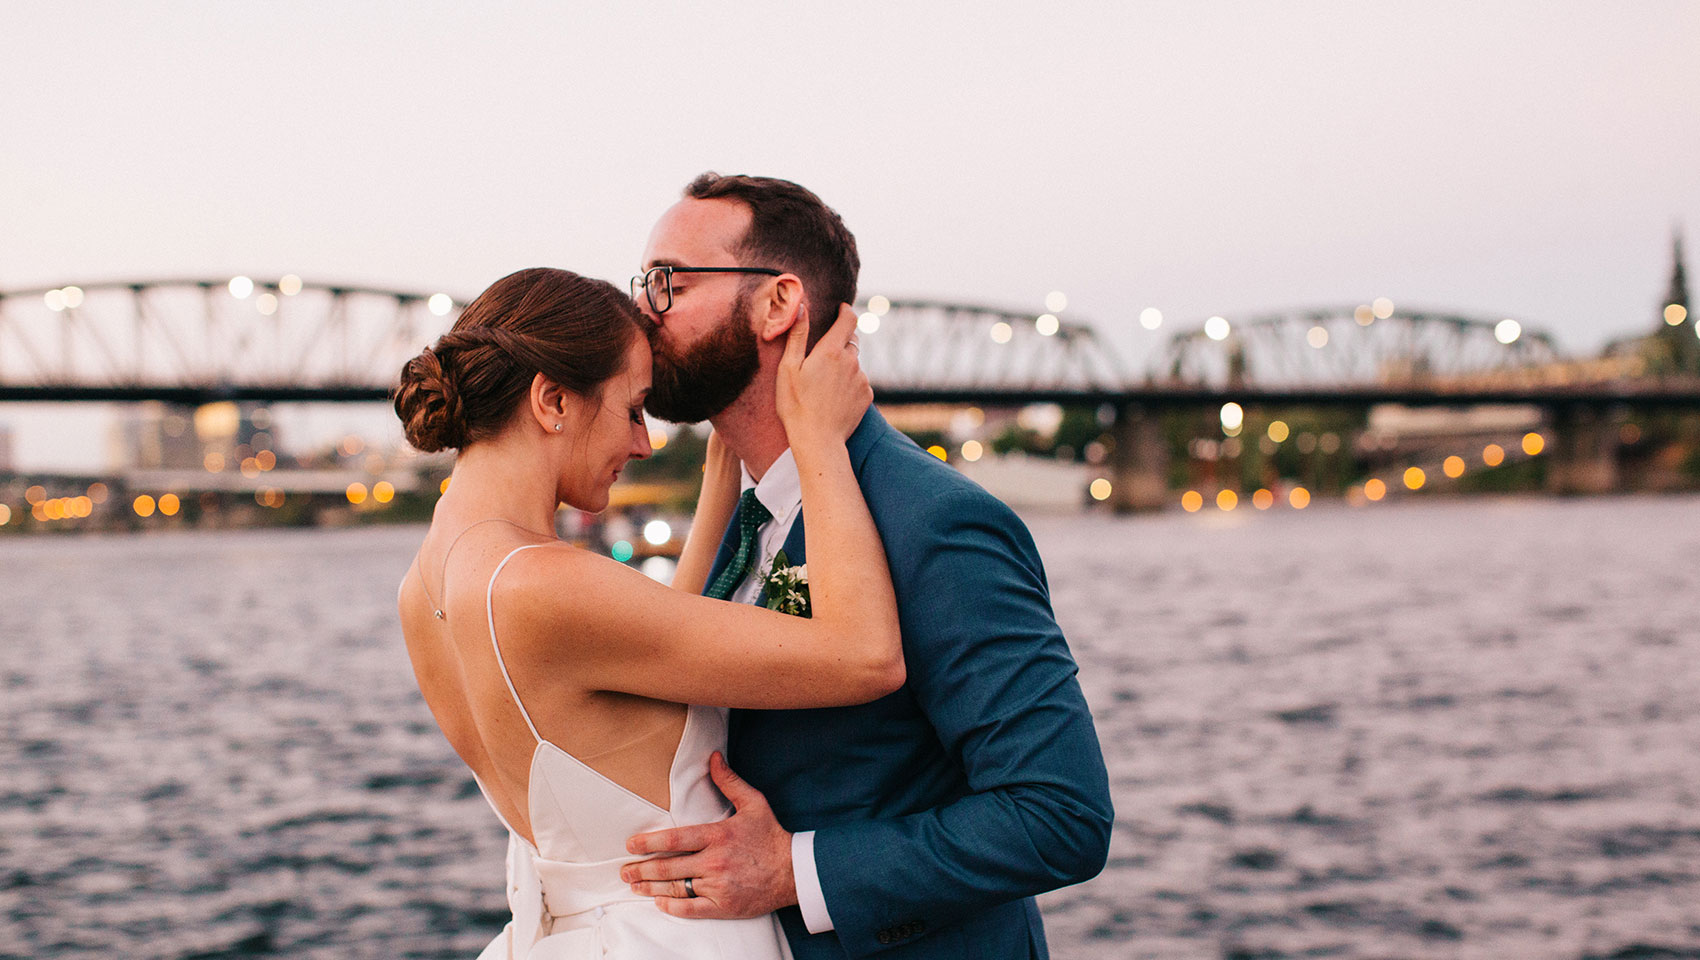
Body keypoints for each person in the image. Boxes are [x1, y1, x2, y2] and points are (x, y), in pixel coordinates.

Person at [621, 174, 1114, 959]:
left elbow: (1061, 815)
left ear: (777, 304)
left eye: (668, 281)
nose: (642, 308)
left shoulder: (935, 520)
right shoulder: (732, 513)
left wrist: (796, 872)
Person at [391, 266, 903, 959]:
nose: (643, 443)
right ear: (552, 401)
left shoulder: (423, 590)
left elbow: (643, 662)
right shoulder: (537, 583)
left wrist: (721, 483)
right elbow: (865, 656)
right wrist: (817, 439)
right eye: (633, 409)